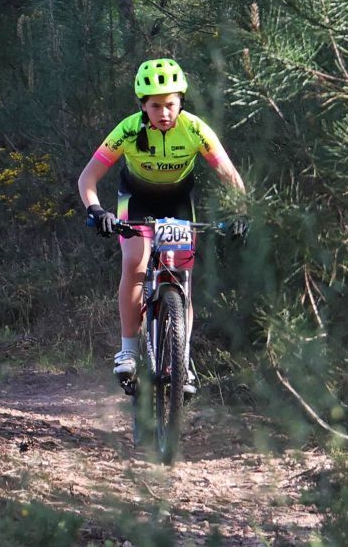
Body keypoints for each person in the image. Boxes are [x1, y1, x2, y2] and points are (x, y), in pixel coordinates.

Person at [75, 58, 246, 394]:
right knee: (135, 264)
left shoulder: (195, 129)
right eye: (155, 106)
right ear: (143, 105)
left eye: (171, 104)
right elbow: (88, 177)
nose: (164, 112)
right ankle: (128, 350)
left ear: (181, 102)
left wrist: (242, 211)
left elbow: (230, 176)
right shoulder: (128, 130)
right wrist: (97, 210)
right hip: (136, 200)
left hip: (178, 203)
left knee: (182, 279)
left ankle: (180, 361)